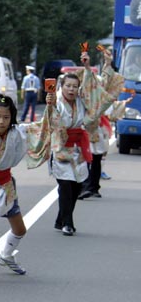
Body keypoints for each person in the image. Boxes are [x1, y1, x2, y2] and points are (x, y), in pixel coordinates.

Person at [0, 94, 53, 283]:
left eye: (6, 117)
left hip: (6, 184)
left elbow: (43, 127)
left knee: (20, 229)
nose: (1, 121)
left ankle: (6, 255)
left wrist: (49, 106)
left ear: (11, 117)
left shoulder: (19, 132)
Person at [45, 48, 122, 236]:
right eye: (68, 86)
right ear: (61, 86)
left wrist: (90, 66)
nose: (71, 89)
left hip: (78, 149)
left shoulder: (82, 100)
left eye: (74, 86)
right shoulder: (55, 102)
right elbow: (49, 121)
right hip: (61, 147)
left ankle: (60, 218)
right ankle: (68, 223)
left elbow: (96, 85)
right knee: (65, 185)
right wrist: (50, 105)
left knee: (77, 185)